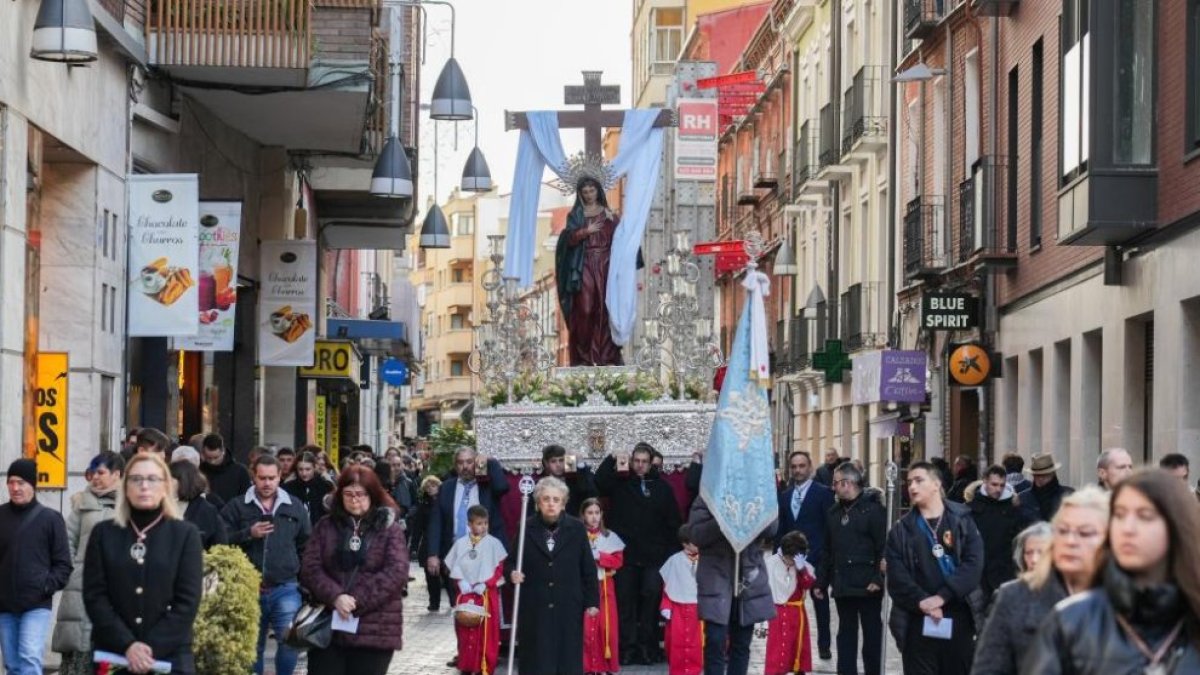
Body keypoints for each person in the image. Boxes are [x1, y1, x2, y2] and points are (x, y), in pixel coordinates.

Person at [1024, 471, 1200, 673]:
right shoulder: (1071, 622)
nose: (1128, 528)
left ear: (1176, 526)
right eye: (1119, 515)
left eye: (1145, 516)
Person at [84, 453, 203, 674]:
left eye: (152, 479)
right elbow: (94, 596)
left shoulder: (185, 534)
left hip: (169, 657)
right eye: (136, 479)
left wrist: (148, 649)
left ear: (166, 486)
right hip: (115, 654)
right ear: (125, 486)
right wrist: (128, 646)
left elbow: (187, 601)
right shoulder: (104, 533)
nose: (144, 486)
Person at [969, 488, 1108, 675]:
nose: (1071, 541)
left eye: (1085, 533)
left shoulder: (1131, 599)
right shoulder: (1014, 595)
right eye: (1063, 531)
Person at [299, 465, 409, 675]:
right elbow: (310, 567)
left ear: (373, 494)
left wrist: (356, 600)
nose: (354, 500)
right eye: (348, 494)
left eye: (360, 494)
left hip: (375, 626)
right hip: (329, 624)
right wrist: (336, 597)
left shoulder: (389, 529)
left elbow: (396, 572)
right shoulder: (326, 525)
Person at [885, 461, 985, 674]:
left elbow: (973, 564)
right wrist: (924, 603)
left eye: (919, 480)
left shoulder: (962, 520)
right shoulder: (901, 531)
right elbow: (897, 578)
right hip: (917, 620)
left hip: (958, 616)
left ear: (936, 484)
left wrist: (942, 597)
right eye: (909, 481)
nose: (912, 487)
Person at [222, 454, 312, 675]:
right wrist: (248, 533)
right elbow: (220, 539)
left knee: (290, 643)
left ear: (280, 476)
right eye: (262, 478)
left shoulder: (294, 506)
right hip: (247, 587)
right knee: (252, 646)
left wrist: (302, 577)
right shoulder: (237, 506)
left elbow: (306, 543)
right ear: (254, 476)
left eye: (272, 478)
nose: (267, 483)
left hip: (285, 587)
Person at [595, 442, 682, 665]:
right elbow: (599, 483)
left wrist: (670, 554)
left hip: (654, 558)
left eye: (644, 461)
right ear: (632, 461)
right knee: (626, 604)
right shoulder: (620, 484)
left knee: (650, 602)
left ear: (651, 462)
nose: (640, 466)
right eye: (637, 461)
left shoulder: (663, 488)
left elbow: (673, 522)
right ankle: (628, 648)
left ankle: (648, 647)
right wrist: (611, 458)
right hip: (626, 556)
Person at [508, 477, 599, 675]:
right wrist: (512, 573)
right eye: (546, 499)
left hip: (568, 604)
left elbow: (588, 568)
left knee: (567, 657)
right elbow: (511, 561)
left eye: (556, 500)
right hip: (535, 605)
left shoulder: (576, 529)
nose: (551, 504)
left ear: (564, 503)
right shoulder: (526, 527)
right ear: (538, 503)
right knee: (537, 658)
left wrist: (592, 600)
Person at [53, 452, 123, 675]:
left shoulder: (129, 505)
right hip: (80, 588)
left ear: (117, 474)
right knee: (79, 652)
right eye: (92, 472)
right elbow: (66, 542)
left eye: (101, 472)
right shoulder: (82, 504)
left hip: (116, 589)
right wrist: (73, 570)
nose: (95, 477)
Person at [688, 496, 776, 675]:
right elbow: (696, 534)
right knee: (715, 641)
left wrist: (750, 514)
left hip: (747, 579)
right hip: (716, 581)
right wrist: (722, 520)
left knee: (741, 645)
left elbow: (772, 527)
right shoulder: (708, 494)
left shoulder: (755, 490)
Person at [0, 458, 71, 675]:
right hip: (5, 605)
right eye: (11, 482)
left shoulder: (51, 519)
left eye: (21, 482)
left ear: (33, 485)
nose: (15, 488)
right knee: (12, 665)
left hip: (36, 605)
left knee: (30, 657)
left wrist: (45, 587)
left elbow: (63, 564)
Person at [815, 460, 887, 675]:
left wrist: (878, 578)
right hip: (843, 584)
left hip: (868, 586)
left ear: (848, 483)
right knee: (845, 635)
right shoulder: (833, 513)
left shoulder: (874, 511)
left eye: (836, 483)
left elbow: (883, 548)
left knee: (872, 636)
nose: (833, 487)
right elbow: (827, 550)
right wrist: (821, 581)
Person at [555, 175, 628, 366]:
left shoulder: (609, 216)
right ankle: (583, 356)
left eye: (592, 190)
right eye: (585, 192)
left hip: (605, 265)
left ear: (598, 191)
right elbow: (567, 240)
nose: (589, 195)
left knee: (604, 309)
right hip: (584, 263)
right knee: (585, 309)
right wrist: (585, 232)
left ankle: (605, 356)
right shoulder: (576, 216)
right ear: (580, 194)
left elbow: (622, 240)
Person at [427, 447, 511, 613]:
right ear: (455, 466)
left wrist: (490, 462)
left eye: (469, 462)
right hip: (456, 557)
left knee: (486, 607)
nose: (465, 467)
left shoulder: (487, 486)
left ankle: (488, 639)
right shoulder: (447, 488)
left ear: (476, 463)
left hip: (485, 557)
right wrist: (433, 554)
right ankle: (464, 640)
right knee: (460, 608)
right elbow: (437, 522)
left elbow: (503, 487)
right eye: (460, 463)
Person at [776, 450, 834, 661]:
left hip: (816, 558)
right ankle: (789, 645)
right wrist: (778, 557)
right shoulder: (785, 496)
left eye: (802, 466)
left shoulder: (824, 494)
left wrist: (823, 558)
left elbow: (829, 528)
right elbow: (782, 528)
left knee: (820, 600)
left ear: (810, 467)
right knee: (788, 602)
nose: (798, 470)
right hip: (789, 561)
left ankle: (824, 644)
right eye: (794, 467)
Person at [445, 505, 506, 675]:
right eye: (479, 523)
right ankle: (467, 663)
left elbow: (499, 568)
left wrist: (487, 583)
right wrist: (461, 581)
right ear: (470, 524)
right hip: (465, 593)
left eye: (486, 523)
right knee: (465, 629)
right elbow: (454, 565)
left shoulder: (494, 543)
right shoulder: (461, 543)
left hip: (486, 593)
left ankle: (484, 665)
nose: (483, 527)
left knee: (486, 632)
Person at [968, 464, 1033, 601]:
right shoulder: (971, 508)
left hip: (1005, 573)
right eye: (994, 484)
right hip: (978, 575)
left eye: (1002, 485)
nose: (998, 489)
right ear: (985, 481)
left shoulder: (1014, 508)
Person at [581, 498, 624, 675]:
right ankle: (587, 666)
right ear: (583, 515)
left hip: (605, 586)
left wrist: (600, 557)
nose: (593, 517)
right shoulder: (577, 535)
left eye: (596, 513)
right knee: (586, 626)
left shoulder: (609, 537)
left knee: (605, 627)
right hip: (584, 586)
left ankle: (603, 666)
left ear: (601, 515)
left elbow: (618, 560)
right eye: (590, 513)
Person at [764, 531, 815, 675]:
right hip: (777, 615)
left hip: (797, 616)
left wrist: (801, 569)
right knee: (777, 651)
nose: (790, 563)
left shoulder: (801, 566)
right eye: (789, 559)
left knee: (798, 650)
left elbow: (808, 584)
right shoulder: (771, 563)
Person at [659, 527, 702, 675]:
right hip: (678, 608)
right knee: (676, 642)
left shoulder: (706, 559)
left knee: (697, 644)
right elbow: (667, 587)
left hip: (698, 608)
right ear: (685, 543)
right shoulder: (674, 560)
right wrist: (666, 606)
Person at [409, 475, 448, 611]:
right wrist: (413, 546)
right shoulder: (423, 505)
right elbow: (417, 527)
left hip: (445, 542)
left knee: (447, 575)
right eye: (427, 486)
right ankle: (434, 602)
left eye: (433, 485)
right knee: (431, 576)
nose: (431, 488)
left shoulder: (446, 502)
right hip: (427, 543)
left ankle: (454, 600)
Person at [170, 460, 228, 550]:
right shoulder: (161, 506)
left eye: (169, 479)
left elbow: (220, 549)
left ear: (183, 481)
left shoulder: (207, 511)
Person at [540, 444, 597, 517]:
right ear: (546, 463)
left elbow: (590, 493)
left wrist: (580, 462)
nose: (558, 465)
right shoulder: (542, 484)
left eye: (561, 460)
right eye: (553, 461)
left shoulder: (573, 481)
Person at [1018, 452, 1074, 521]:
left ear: (1052, 474)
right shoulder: (1022, 498)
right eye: (1037, 475)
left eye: (1044, 475)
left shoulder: (1069, 495)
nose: (1040, 479)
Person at [284, 450, 334, 526]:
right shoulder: (288, 487)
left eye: (308, 469)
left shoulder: (325, 486)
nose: (304, 473)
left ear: (314, 468)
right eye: (300, 469)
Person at [200, 433, 252, 504]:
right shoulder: (199, 471)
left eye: (216, 458)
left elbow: (246, 498)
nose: (212, 462)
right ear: (203, 454)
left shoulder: (240, 471)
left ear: (223, 451)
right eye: (208, 458)